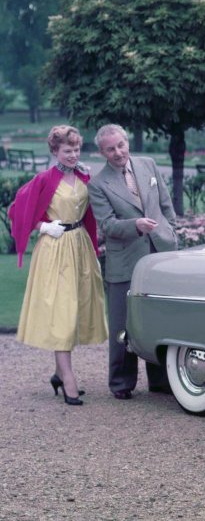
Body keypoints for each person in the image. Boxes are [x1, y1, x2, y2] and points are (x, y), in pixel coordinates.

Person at [9, 125, 107, 406]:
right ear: (55, 151)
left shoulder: (84, 177)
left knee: (76, 311)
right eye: (67, 150)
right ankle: (69, 379)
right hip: (55, 249)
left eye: (76, 149)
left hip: (79, 247)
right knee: (62, 313)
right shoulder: (43, 179)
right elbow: (16, 212)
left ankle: (58, 373)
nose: (73, 154)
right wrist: (42, 226)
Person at [88, 124, 178, 400]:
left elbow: (165, 204)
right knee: (123, 324)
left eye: (121, 145)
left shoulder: (148, 164)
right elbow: (107, 226)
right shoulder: (98, 183)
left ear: (127, 142)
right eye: (110, 149)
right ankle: (121, 382)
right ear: (102, 153)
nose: (118, 152)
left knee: (160, 318)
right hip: (125, 262)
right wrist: (136, 225)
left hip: (160, 254)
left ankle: (161, 380)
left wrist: (170, 230)